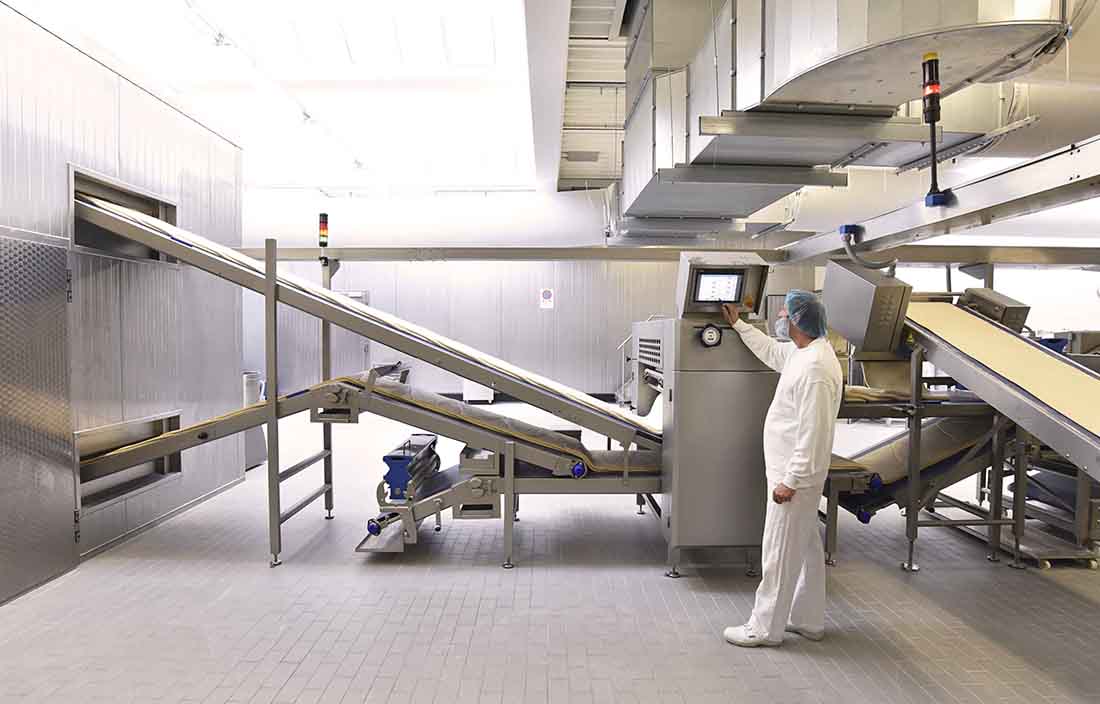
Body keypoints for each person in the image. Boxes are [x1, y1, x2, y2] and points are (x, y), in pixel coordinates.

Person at [719, 290, 843, 647]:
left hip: (795, 477)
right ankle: (808, 620)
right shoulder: (805, 354)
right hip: (793, 472)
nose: (781, 320)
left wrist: (791, 480)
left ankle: (764, 628)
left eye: (785, 315)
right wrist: (740, 325)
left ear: (797, 321)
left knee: (778, 550)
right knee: (805, 549)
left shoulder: (817, 369)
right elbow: (772, 351)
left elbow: (813, 431)